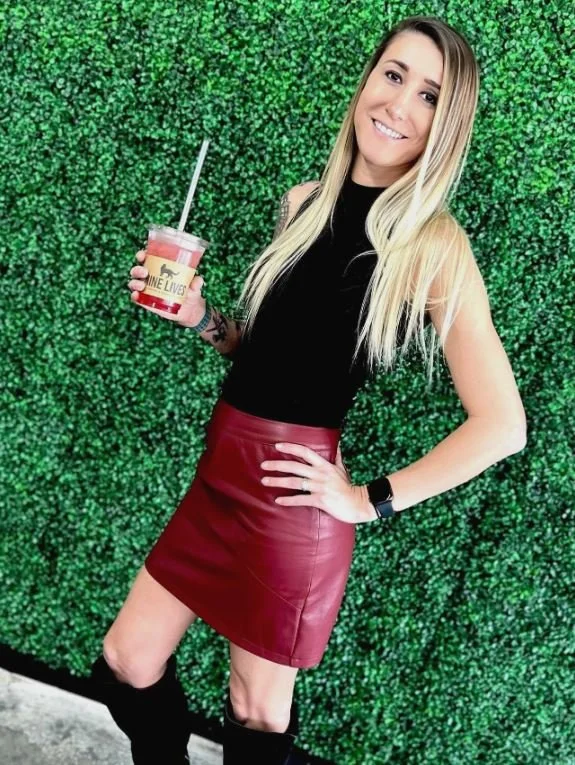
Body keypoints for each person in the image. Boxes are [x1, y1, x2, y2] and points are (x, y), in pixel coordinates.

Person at [89, 14, 527, 765]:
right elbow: (271, 356)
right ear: (367, 79)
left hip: (291, 506)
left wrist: (366, 499)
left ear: (445, 124)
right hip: (219, 475)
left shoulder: (432, 246)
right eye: (393, 75)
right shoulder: (303, 203)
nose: (399, 105)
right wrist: (202, 319)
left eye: (429, 96)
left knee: (256, 714)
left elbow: (502, 425)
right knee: (127, 660)